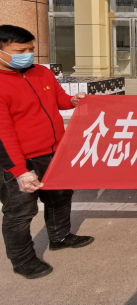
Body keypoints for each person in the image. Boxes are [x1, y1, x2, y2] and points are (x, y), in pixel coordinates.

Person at [0, 25, 93, 280]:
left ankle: (60, 237)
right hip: (20, 160)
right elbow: (3, 134)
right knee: (20, 212)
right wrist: (19, 171)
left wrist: (72, 101)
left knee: (60, 197)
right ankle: (23, 260)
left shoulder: (41, 72)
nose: (28, 55)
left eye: (31, 49)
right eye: (20, 51)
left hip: (54, 152)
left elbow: (58, 99)